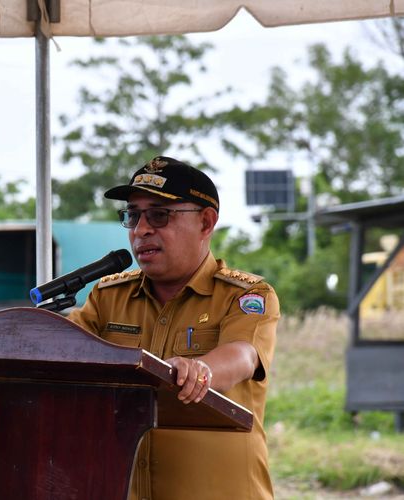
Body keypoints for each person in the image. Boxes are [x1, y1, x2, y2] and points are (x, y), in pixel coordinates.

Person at [67, 156, 279, 499]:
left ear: (206, 223)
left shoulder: (246, 295)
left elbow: (242, 355)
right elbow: (55, 352)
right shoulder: (107, 298)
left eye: (159, 215)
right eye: (133, 215)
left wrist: (201, 369)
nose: (141, 229)